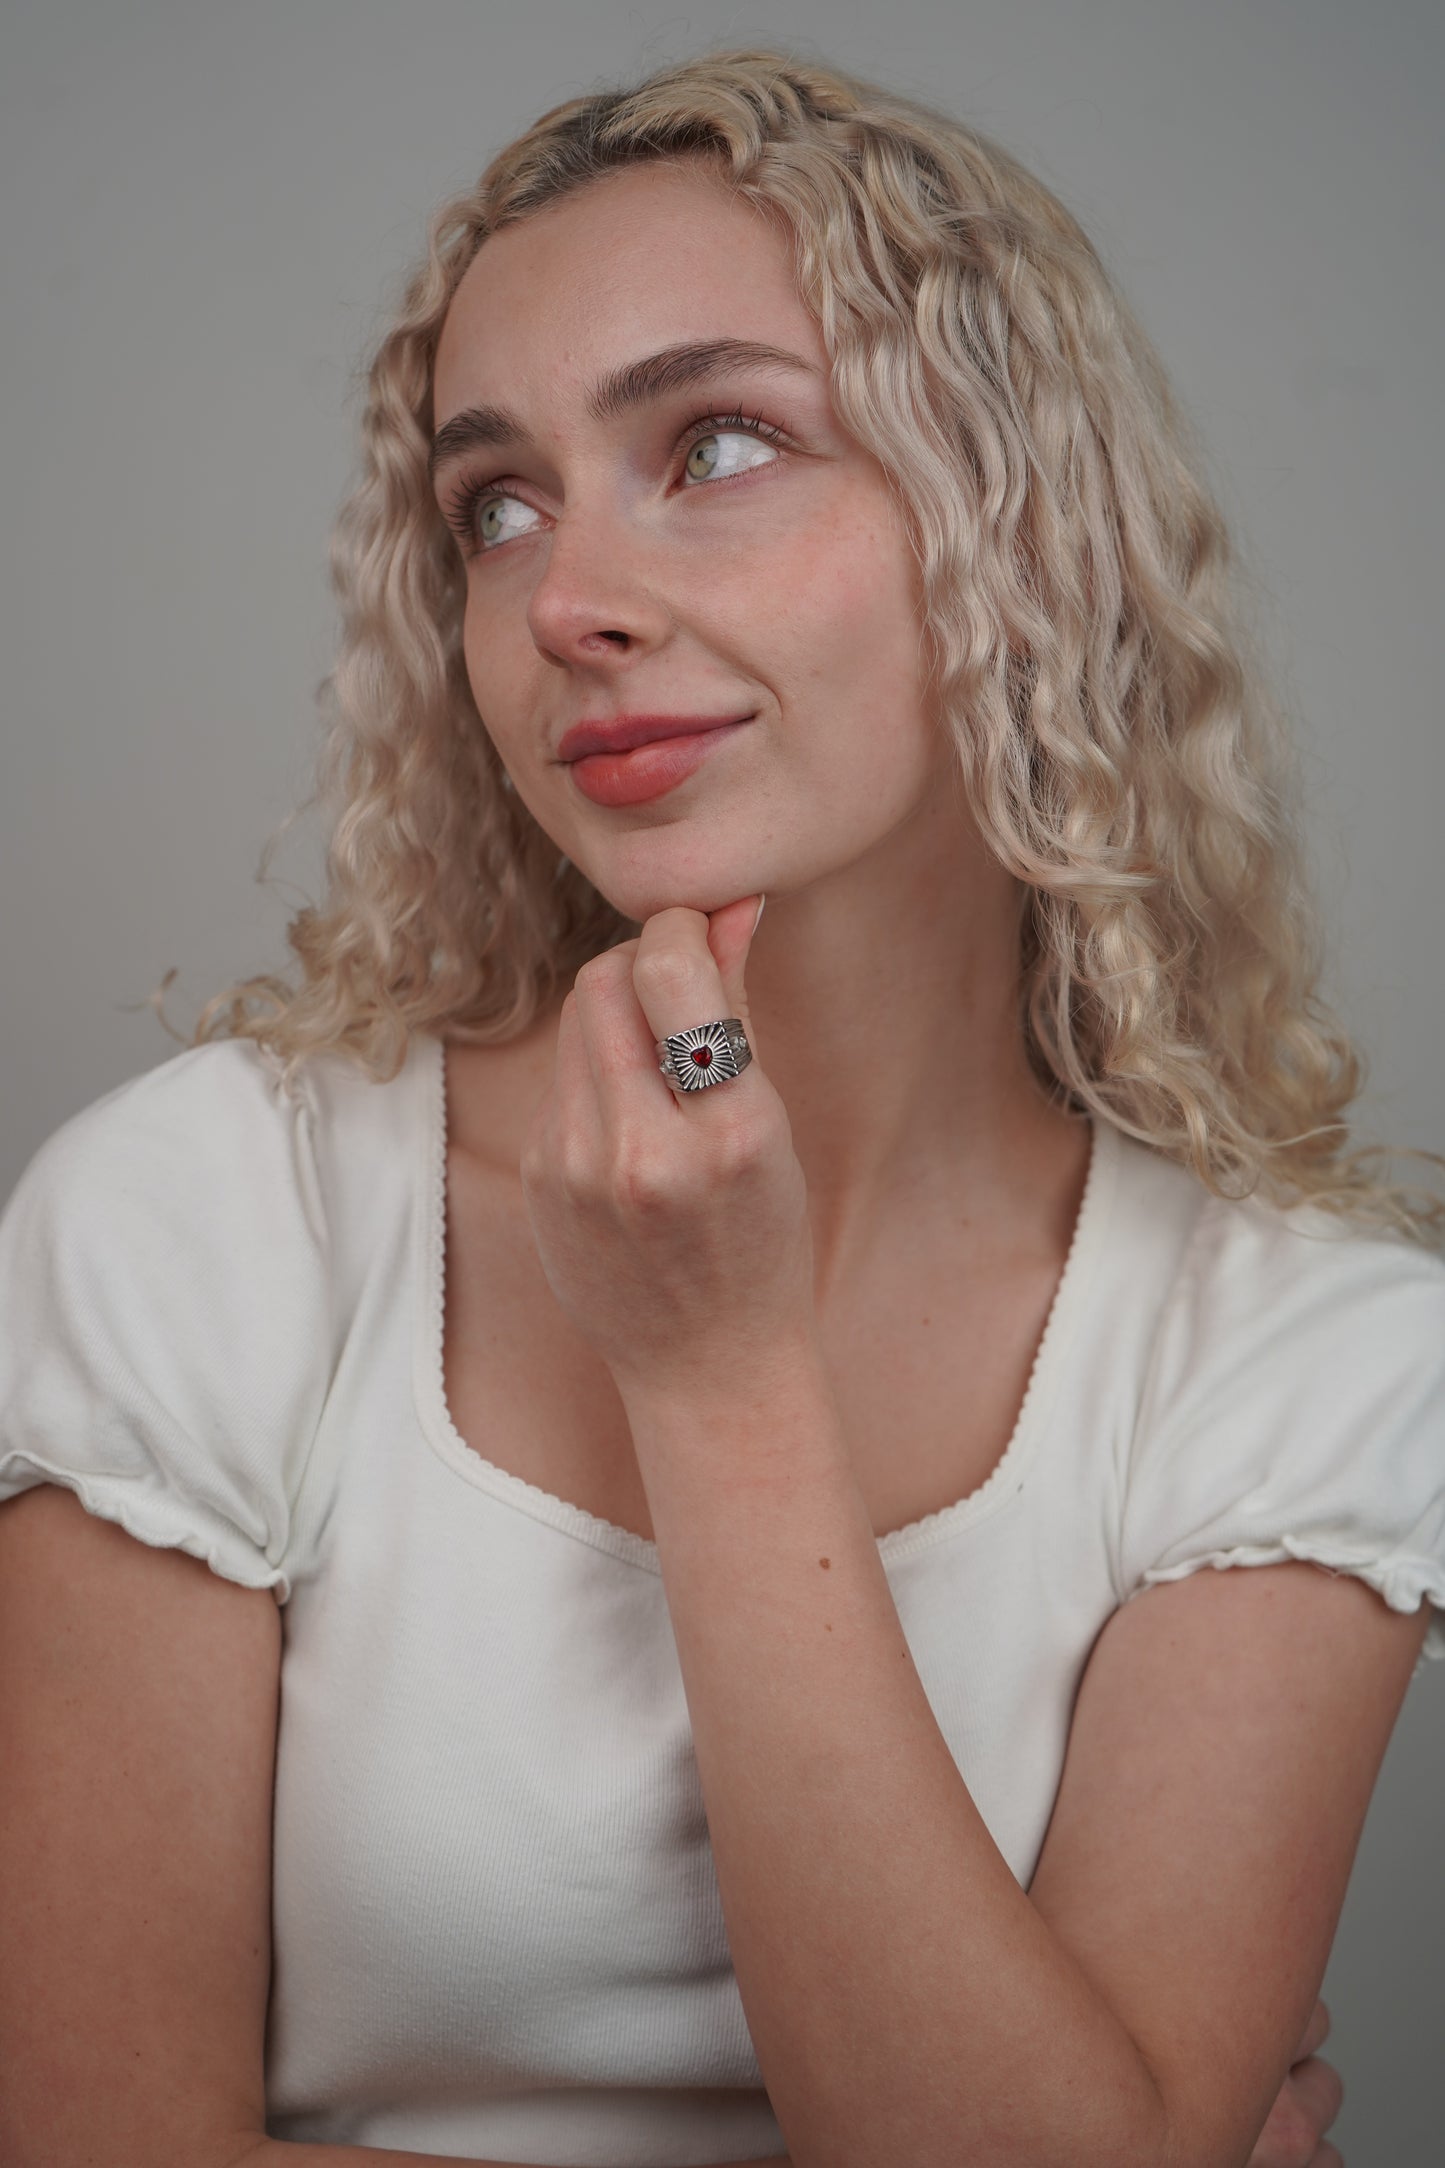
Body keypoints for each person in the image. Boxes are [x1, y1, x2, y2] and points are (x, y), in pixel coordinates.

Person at [1, 43, 1440, 2168]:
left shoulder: (1312, 1344)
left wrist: (725, 1373)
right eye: (498, 501)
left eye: (722, 442)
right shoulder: (209, 1219)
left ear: (1020, 528)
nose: (567, 598)